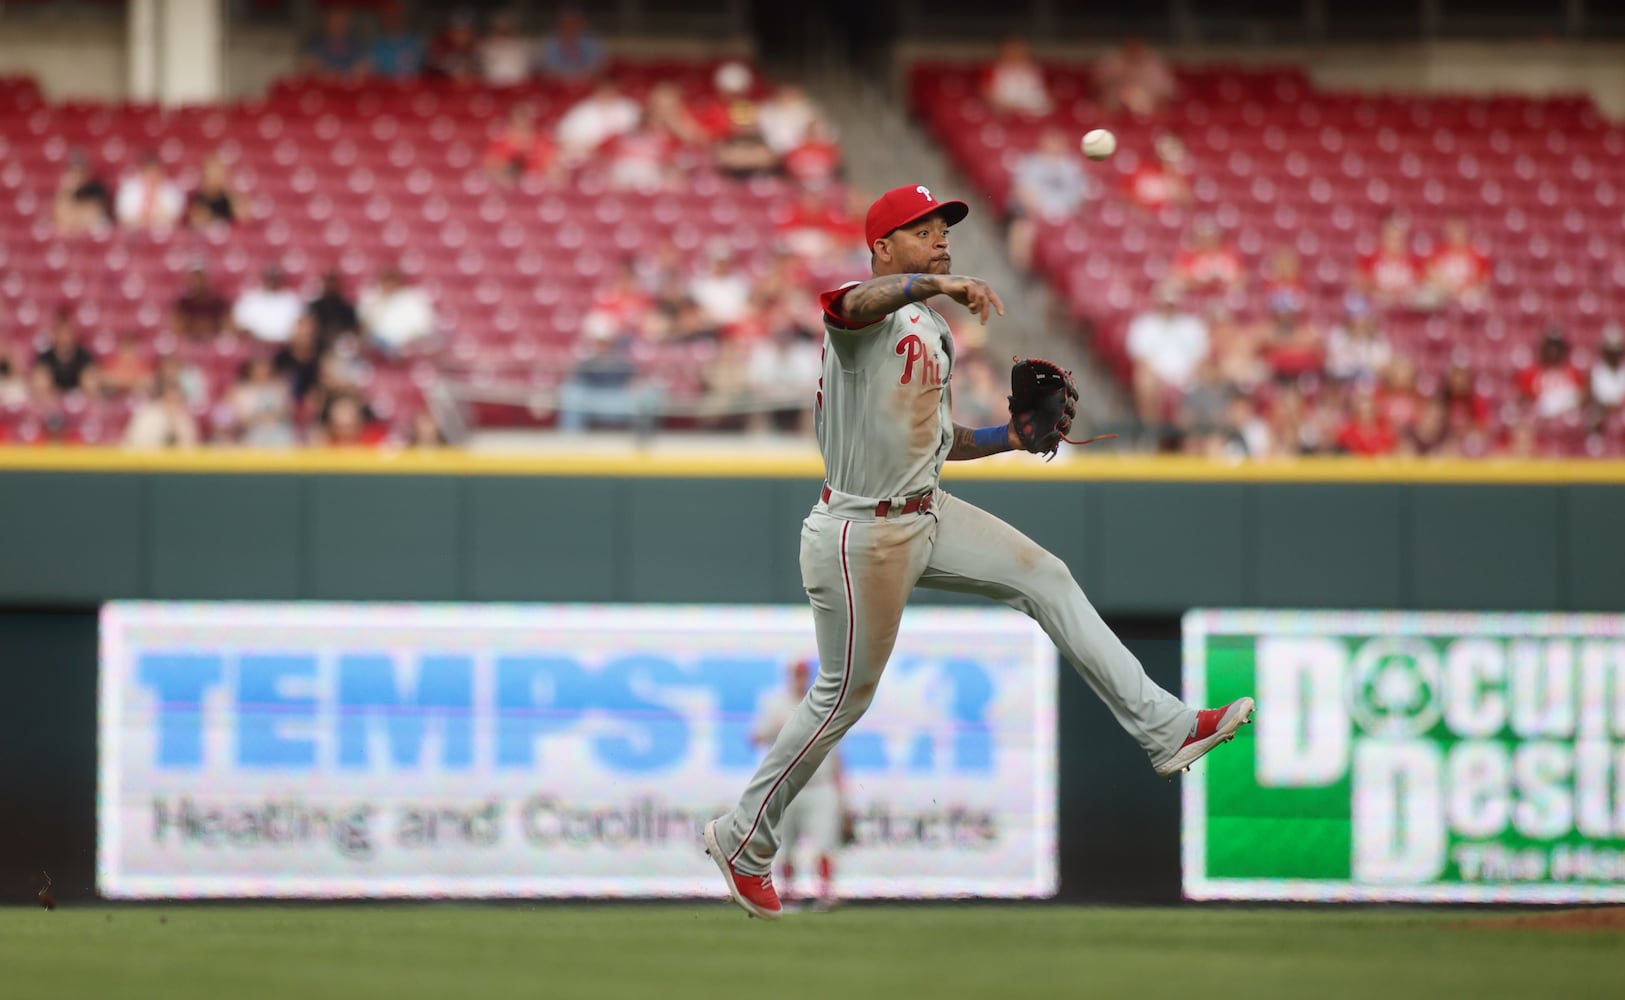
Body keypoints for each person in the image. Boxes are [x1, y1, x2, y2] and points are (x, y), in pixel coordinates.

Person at [701, 183, 1253, 920]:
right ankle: (742, 839)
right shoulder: (865, 317)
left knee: (1045, 577)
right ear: (883, 248)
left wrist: (1010, 439)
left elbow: (933, 441)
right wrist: (937, 281)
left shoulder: (932, 329)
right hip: (859, 533)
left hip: (923, 512)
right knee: (840, 697)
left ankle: (1167, 728)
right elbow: (850, 304)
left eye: (943, 228)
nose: (939, 237)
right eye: (920, 228)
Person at [751, 659, 844, 909]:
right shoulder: (775, 704)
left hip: (819, 784)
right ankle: (788, 893)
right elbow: (755, 737)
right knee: (786, 844)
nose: (801, 680)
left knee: (825, 841)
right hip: (787, 785)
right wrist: (774, 731)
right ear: (789, 676)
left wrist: (842, 792)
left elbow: (836, 753)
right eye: (797, 675)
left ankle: (825, 893)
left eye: (804, 675)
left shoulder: (822, 706)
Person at [1006, 128, 1089, 273]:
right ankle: (1020, 271)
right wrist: (1040, 212)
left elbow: (1080, 194)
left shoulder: (1072, 166)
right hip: (1037, 212)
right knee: (1024, 227)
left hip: (1066, 213)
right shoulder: (1031, 163)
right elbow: (1023, 192)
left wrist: (1067, 211)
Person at [1126, 288, 1209, 425]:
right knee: (1144, 380)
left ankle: (1190, 434)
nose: (1168, 308)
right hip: (1157, 377)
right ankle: (1152, 431)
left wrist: (1187, 377)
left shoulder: (1192, 325)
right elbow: (1141, 359)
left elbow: (1201, 358)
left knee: (1205, 379)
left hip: (1189, 377)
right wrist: (1161, 379)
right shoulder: (1144, 325)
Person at [359, 266, 437, 354]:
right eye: (385, 282)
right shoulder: (372, 298)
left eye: (390, 282)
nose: (388, 286)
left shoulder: (412, 299)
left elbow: (424, 326)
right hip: (378, 344)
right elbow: (364, 325)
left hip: (405, 344)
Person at [1093, 37, 1177, 116]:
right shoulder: (1112, 64)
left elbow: (1166, 96)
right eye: (1131, 48)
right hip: (1112, 113)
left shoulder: (1155, 68)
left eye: (1137, 48)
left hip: (1147, 113)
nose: (1134, 51)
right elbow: (1096, 85)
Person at [485, 103, 557, 183]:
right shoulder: (500, 145)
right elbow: (490, 171)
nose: (521, 132)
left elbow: (555, 175)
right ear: (510, 126)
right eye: (517, 126)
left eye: (525, 127)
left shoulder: (543, 145)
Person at [232, 265, 304, 344]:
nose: (272, 282)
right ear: (264, 279)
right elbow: (241, 326)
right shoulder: (250, 299)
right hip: (256, 344)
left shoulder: (291, 299)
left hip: (285, 345)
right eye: (270, 278)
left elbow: (300, 326)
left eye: (275, 279)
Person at [981, 36, 1051, 117]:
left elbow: (1041, 88)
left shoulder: (1032, 68)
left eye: (1020, 52)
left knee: (1043, 107)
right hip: (1003, 100)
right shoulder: (994, 69)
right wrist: (995, 100)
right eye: (1010, 52)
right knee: (997, 111)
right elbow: (986, 90)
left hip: (1030, 100)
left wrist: (1045, 99)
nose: (1015, 55)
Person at [116, 152, 184, 233]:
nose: (152, 176)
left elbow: (173, 221)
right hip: (134, 236)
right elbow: (123, 220)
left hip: (162, 235)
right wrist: (145, 221)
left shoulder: (172, 191)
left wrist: (155, 196)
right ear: (141, 172)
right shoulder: (128, 189)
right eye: (148, 172)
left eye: (155, 172)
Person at [1125, 133, 1192, 212]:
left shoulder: (1179, 174)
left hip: (1168, 217)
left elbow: (1187, 204)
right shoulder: (1143, 168)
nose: (1169, 152)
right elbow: (1125, 196)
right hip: (1147, 218)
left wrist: (1170, 170)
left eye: (1173, 148)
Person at [123, 379, 199, 449]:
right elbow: (138, 446)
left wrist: (174, 426)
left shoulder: (184, 419)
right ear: (162, 398)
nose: (174, 404)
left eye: (178, 400)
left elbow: (190, 448)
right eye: (170, 400)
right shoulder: (147, 417)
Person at [37, 307, 98, 394]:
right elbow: (40, 385)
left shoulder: (84, 356)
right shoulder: (45, 358)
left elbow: (91, 384)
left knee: (91, 380)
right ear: (55, 334)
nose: (65, 338)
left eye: (68, 333)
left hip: (79, 400)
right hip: (53, 401)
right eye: (61, 333)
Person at [53, 151, 113, 234]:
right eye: (74, 171)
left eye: (80, 171)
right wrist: (67, 190)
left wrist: (73, 217)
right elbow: (61, 220)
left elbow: (93, 214)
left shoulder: (97, 189)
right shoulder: (65, 192)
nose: (78, 176)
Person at [537, 8, 604, 81]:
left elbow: (596, 66)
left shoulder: (591, 42)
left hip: (586, 81)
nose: (570, 27)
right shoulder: (551, 44)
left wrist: (581, 76)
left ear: (581, 25)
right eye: (566, 24)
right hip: (559, 83)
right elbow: (550, 68)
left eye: (574, 23)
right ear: (559, 26)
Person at [367, 0, 426, 80]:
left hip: (412, 89)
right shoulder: (376, 45)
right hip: (386, 89)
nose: (393, 17)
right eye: (389, 14)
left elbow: (426, 72)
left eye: (396, 13)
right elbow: (371, 75)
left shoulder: (416, 42)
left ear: (403, 15)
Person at [186, 154, 246, 229]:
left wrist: (228, 190)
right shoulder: (196, 200)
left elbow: (243, 218)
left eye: (218, 173)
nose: (215, 178)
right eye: (211, 174)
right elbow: (196, 224)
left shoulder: (229, 199)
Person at [302, 7, 364, 79]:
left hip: (348, 85)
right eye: (335, 21)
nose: (338, 25)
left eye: (342, 21)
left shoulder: (356, 46)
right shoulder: (315, 44)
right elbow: (308, 67)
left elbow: (361, 69)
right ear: (327, 22)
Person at [171, 266, 229, 340]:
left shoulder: (220, 303)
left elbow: (227, 327)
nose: (198, 283)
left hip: (215, 343)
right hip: (189, 343)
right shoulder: (182, 304)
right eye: (194, 280)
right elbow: (177, 328)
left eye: (201, 279)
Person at [309, 268, 359, 349]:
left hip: (341, 348)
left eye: (333, 282)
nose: (330, 286)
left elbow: (354, 331)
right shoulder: (315, 307)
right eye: (328, 282)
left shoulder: (346, 308)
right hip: (317, 348)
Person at [479, 12, 532, 87]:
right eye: (499, 30)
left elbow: (523, 75)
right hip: (492, 88)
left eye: (505, 30)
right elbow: (484, 73)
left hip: (515, 87)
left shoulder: (519, 49)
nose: (502, 33)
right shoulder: (485, 48)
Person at [427, 8, 481, 82]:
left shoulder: (481, 50)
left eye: (465, 31)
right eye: (457, 30)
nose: (461, 35)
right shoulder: (439, 50)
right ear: (449, 31)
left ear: (472, 32)